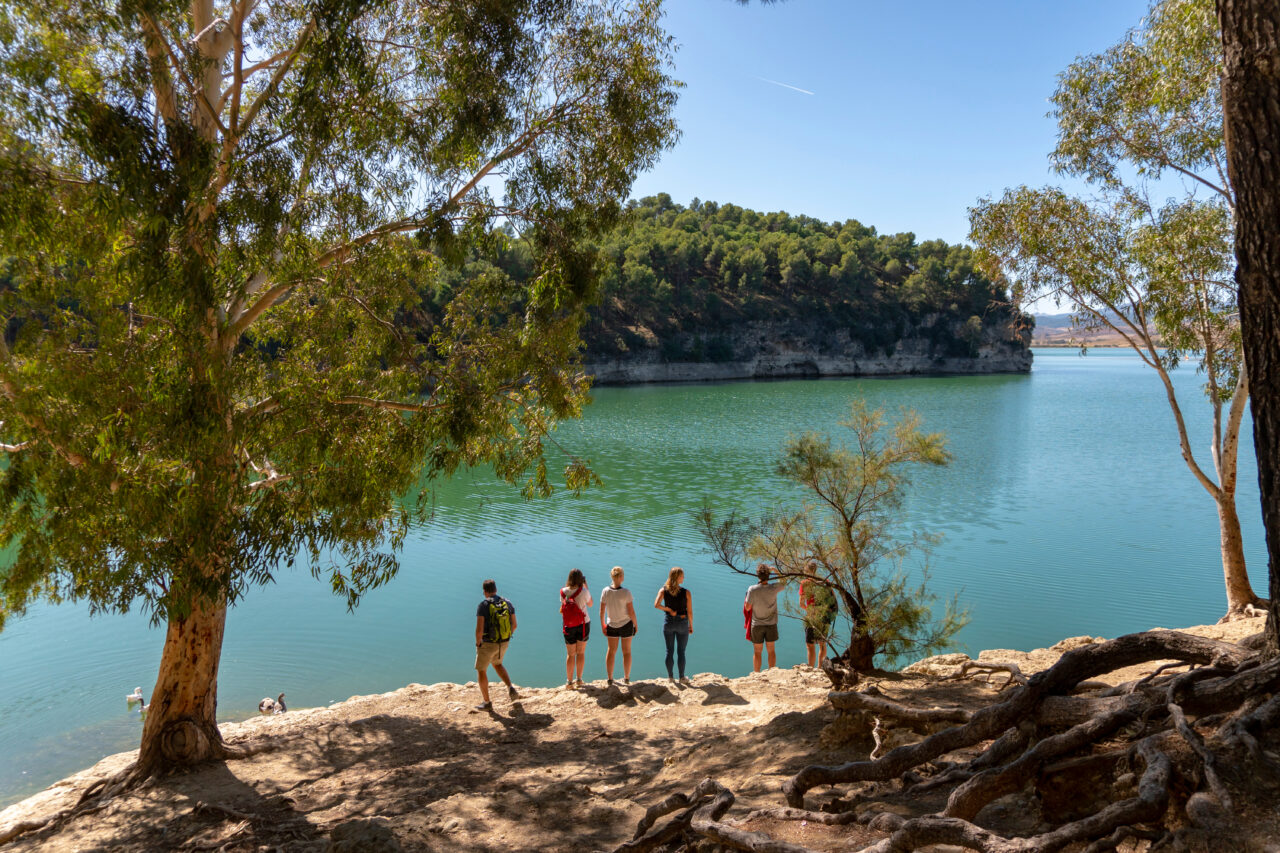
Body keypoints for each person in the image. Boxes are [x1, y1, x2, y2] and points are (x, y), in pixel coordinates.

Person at [474, 579, 519, 711]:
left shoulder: (483, 605)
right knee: (497, 663)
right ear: (496, 590)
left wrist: (478, 643)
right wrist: (504, 637)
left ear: (485, 592)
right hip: (503, 642)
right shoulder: (507, 603)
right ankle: (510, 687)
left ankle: (487, 703)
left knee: (481, 670)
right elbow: (514, 625)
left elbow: (479, 630)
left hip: (488, 643)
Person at [599, 565, 639, 686]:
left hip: (611, 625)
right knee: (626, 652)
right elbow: (631, 612)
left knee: (611, 651)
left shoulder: (605, 591)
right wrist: (636, 625)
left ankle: (610, 679)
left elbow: (601, 611)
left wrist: (603, 625)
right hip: (626, 624)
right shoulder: (626, 592)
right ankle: (626, 678)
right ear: (621, 577)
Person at [653, 566, 693, 684]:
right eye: (682, 576)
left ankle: (670, 677)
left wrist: (669, 610)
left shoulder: (663, 590)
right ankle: (681, 677)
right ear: (677, 577)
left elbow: (656, 605)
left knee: (669, 651)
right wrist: (691, 625)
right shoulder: (686, 592)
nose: (684, 577)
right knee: (681, 651)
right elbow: (690, 612)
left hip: (669, 623)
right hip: (682, 623)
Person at [799, 562, 838, 669]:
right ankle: (820, 668)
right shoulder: (826, 582)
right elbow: (833, 599)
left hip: (812, 617)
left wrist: (810, 610)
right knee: (822, 643)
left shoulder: (805, 583)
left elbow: (801, 604)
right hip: (825, 616)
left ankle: (810, 668)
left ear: (806, 571)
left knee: (810, 645)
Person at [745, 563, 782, 672]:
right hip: (771, 624)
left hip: (757, 625)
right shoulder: (774, 588)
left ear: (758, 575)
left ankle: (756, 673)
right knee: (771, 650)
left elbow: (747, 608)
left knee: (757, 651)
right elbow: (784, 582)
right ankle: (772, 672)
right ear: (768, 576)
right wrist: (776, 570)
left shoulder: (752, 589)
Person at [560, 568, 593, 688]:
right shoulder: (584, 591)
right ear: (581, 579)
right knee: (581, 653)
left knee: (570, 654)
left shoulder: (563, 592)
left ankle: (569, 682)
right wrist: (586, 586)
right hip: (583, 624)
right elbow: (590, 604)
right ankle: (579, 679)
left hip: (568, 626)